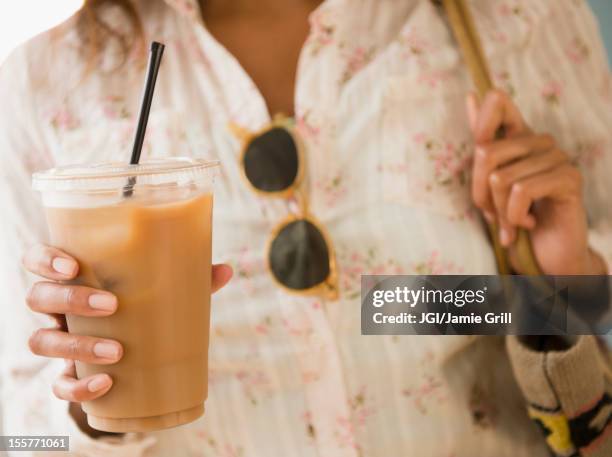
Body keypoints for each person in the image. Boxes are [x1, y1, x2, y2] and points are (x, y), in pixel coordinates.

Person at [0, 0, 611, 455]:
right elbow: (19, 440)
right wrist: (94, 409)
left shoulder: (515, 18)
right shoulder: (38, 86)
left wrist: (559, 284)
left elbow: (590, 322)